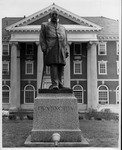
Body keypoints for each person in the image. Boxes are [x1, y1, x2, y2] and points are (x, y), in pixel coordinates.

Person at [40, 10, 68, 89]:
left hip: (61, 48)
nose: (55, 16)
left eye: (56, 14)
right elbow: (42, 37)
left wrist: (66, 50)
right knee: (54, 65)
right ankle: (55, 84)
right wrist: (44, 47)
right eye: (53, 14)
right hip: (51, 48)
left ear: (58, 16)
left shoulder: (63, 28)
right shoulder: (45, 25)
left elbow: (65, 39)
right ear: (50, 16)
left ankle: (60, 83)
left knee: (61, 65)